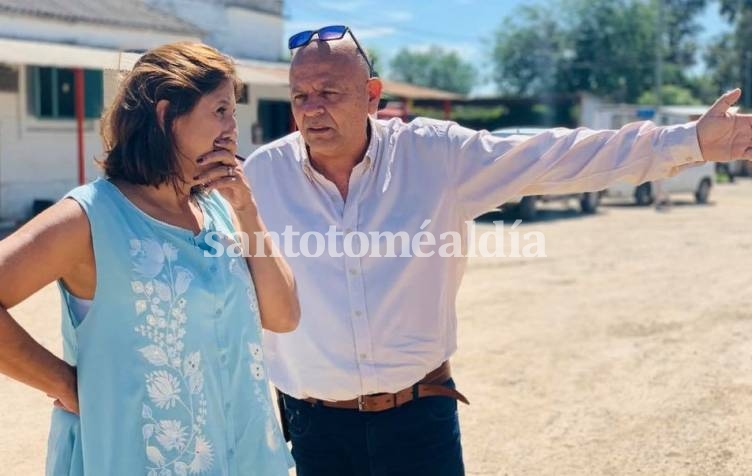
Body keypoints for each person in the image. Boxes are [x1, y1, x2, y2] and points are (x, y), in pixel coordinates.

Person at [242, 25, 752, 476]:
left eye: (329, 91)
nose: (312, 108)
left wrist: (691, 142)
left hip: (418, 420)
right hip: (315, 432)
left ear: (373, 94)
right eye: (301, 95)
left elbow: (554, 157)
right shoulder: (260, 177)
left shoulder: (436, 156)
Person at [0, 42, 299, 475]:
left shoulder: (219, 210)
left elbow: (284, 316)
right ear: (165, 115)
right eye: (220, 111)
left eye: (234, 112)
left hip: (243, 457)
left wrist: (247, 210)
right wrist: (65, 382)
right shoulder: (93, 216)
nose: (234, 128)